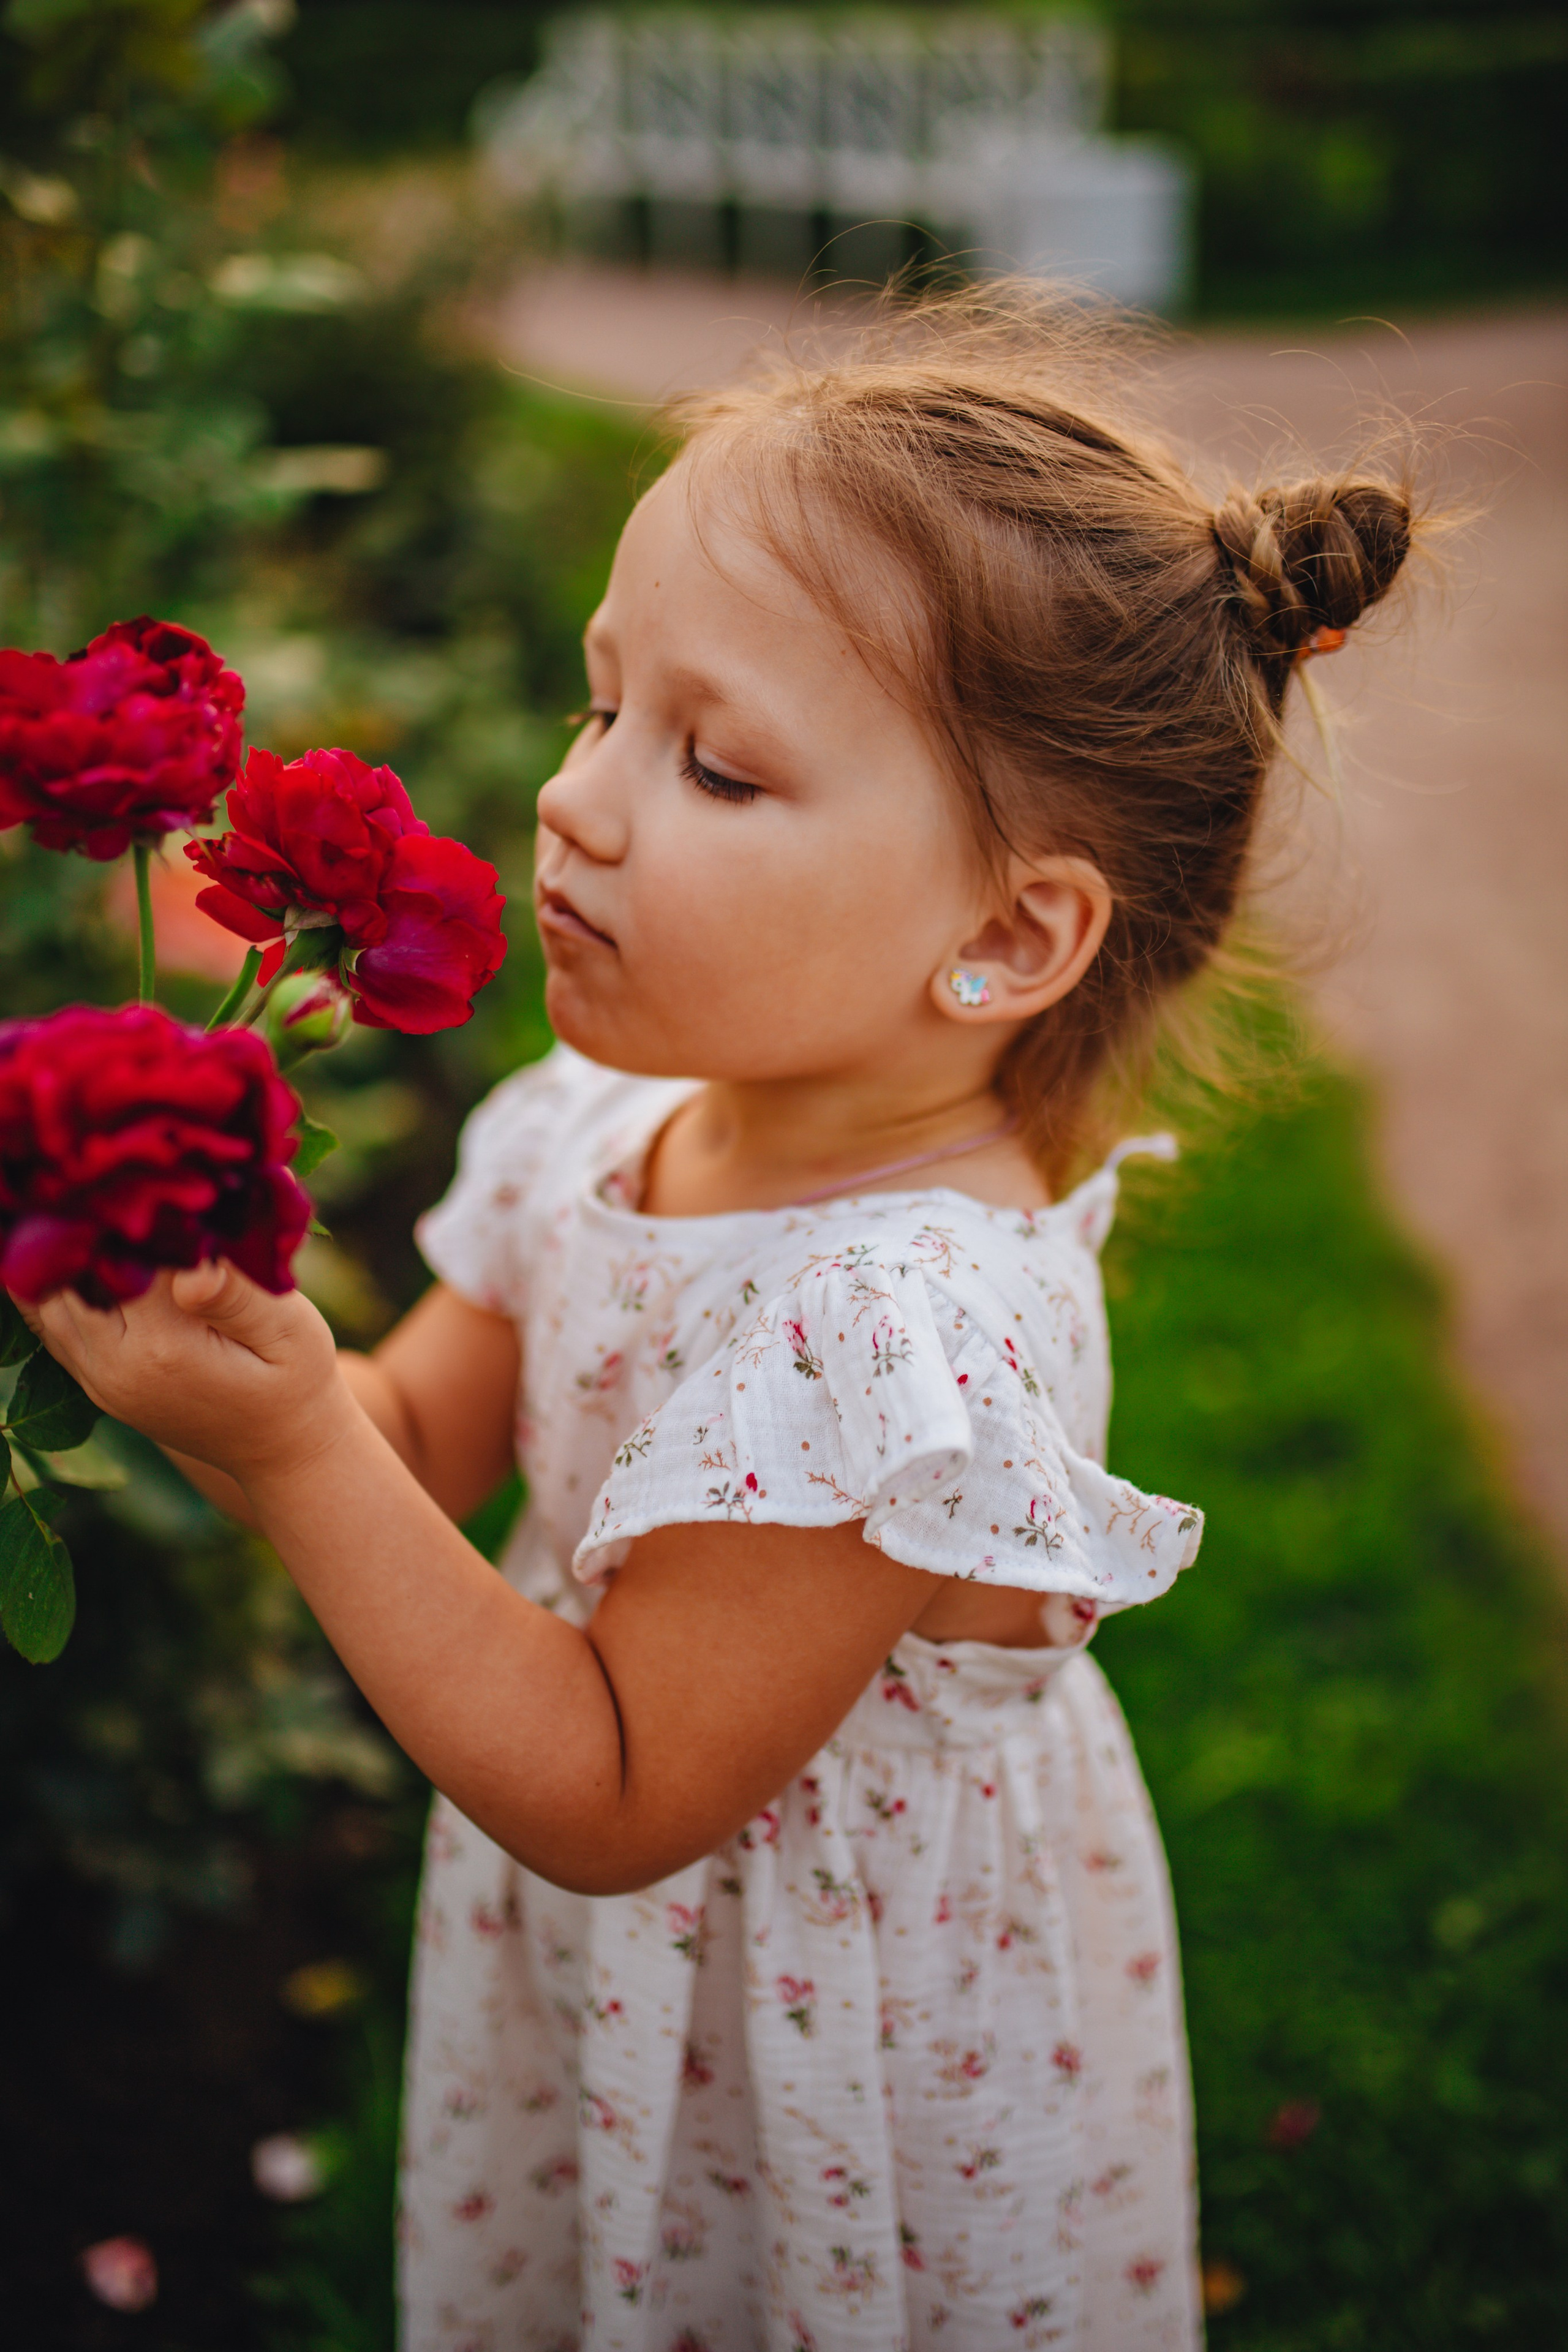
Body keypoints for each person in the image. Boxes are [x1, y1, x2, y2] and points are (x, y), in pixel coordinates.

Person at [32, 286, 1414, 2350]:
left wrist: (287, 1450)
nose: (576, 800)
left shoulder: (897, 1336)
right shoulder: (602, 1123)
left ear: (1010, 932)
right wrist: (239, 1345)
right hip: (631, 1987)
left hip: (838, 2034)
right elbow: (413, 1456)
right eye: (604, 707)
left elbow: (612, 1783)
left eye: (719, 769)